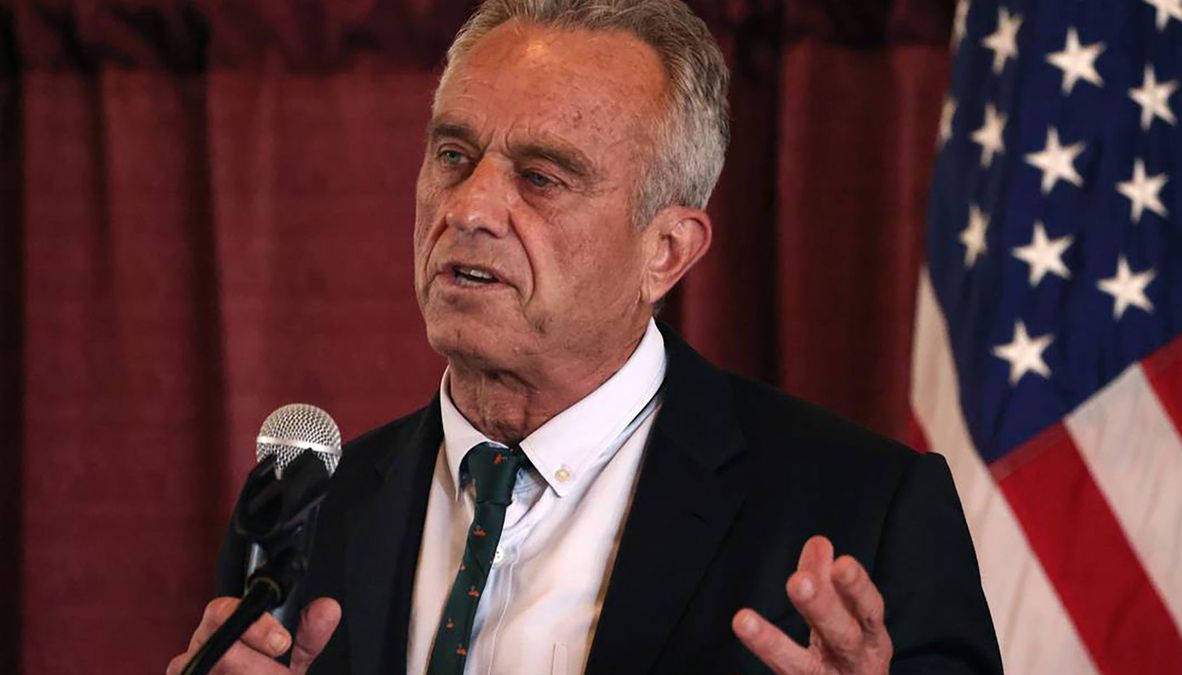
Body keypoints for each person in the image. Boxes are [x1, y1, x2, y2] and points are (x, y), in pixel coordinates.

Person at [167, 1, 1003, 673]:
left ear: (665, 251)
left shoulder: (863, 509)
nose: (470, 209)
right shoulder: (313, 506)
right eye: (454, 155)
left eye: (541, 176)